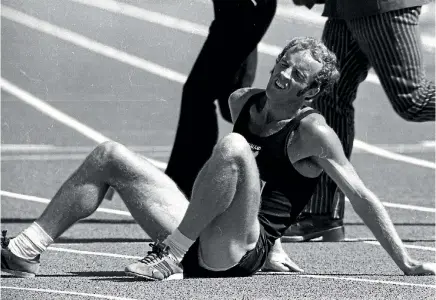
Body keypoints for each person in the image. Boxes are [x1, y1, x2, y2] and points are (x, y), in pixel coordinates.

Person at [2, 37, 435, 280]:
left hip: (236, 251)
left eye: (297, 75)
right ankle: (25, 249)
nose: (282, 75)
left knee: (233, 147)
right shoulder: (243, 101)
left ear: (311, 91)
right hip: (201, 231)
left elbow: (359, 196)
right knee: (109, 155)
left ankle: (169, 255)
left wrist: (405, 261)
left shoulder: (312, 132)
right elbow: (253, 178)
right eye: (284, 63)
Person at [285, 0, 436, 242]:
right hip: (348, 6)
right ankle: (321, 214)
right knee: (328, 96)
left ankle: (321, 214)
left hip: (381, 5)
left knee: (413, 99)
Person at [165, 0, 277, 198]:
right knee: (230, 103)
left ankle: (185, 181)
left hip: (242, 13)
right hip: (234, 13)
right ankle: (282, 164)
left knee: (198, 93)